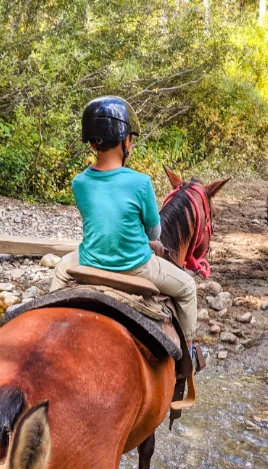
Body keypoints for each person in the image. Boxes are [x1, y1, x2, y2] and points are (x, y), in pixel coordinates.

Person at [50, 96, 200, 356]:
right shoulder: (140, 183)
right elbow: (155, 233)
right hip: (137, 268)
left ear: (92, 141)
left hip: (89, 263)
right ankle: (188, 358)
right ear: (124, 141)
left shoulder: (79, 183)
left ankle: (50, 330)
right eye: (130, 137)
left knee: (60, 271)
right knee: (188, 288)